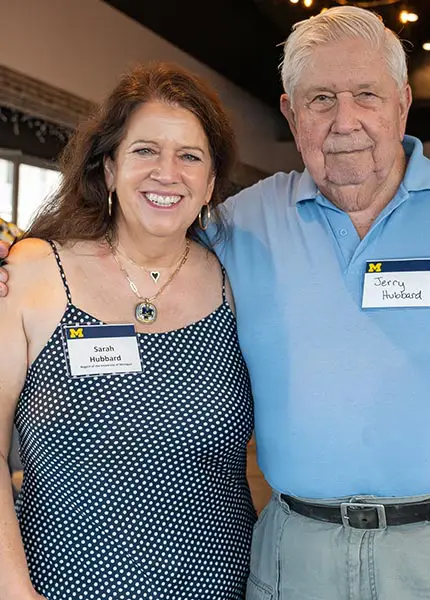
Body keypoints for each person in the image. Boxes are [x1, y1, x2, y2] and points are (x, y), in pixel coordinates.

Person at [0, 7, 430, 600]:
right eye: (321, 99)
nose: (345, 121)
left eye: (367, 95)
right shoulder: (242, 227)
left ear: (402, 103)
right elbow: (137, 245)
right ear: (290, 113)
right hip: (302, 558)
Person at [0, 63, 255, 599]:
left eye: (190, 156)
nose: (167, 172)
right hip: (60, 586)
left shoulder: (236, 281)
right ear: (110, 168)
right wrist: (14, 589)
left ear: (210, 183)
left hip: (218, 584)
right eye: (145, 151)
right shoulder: (33, 272)